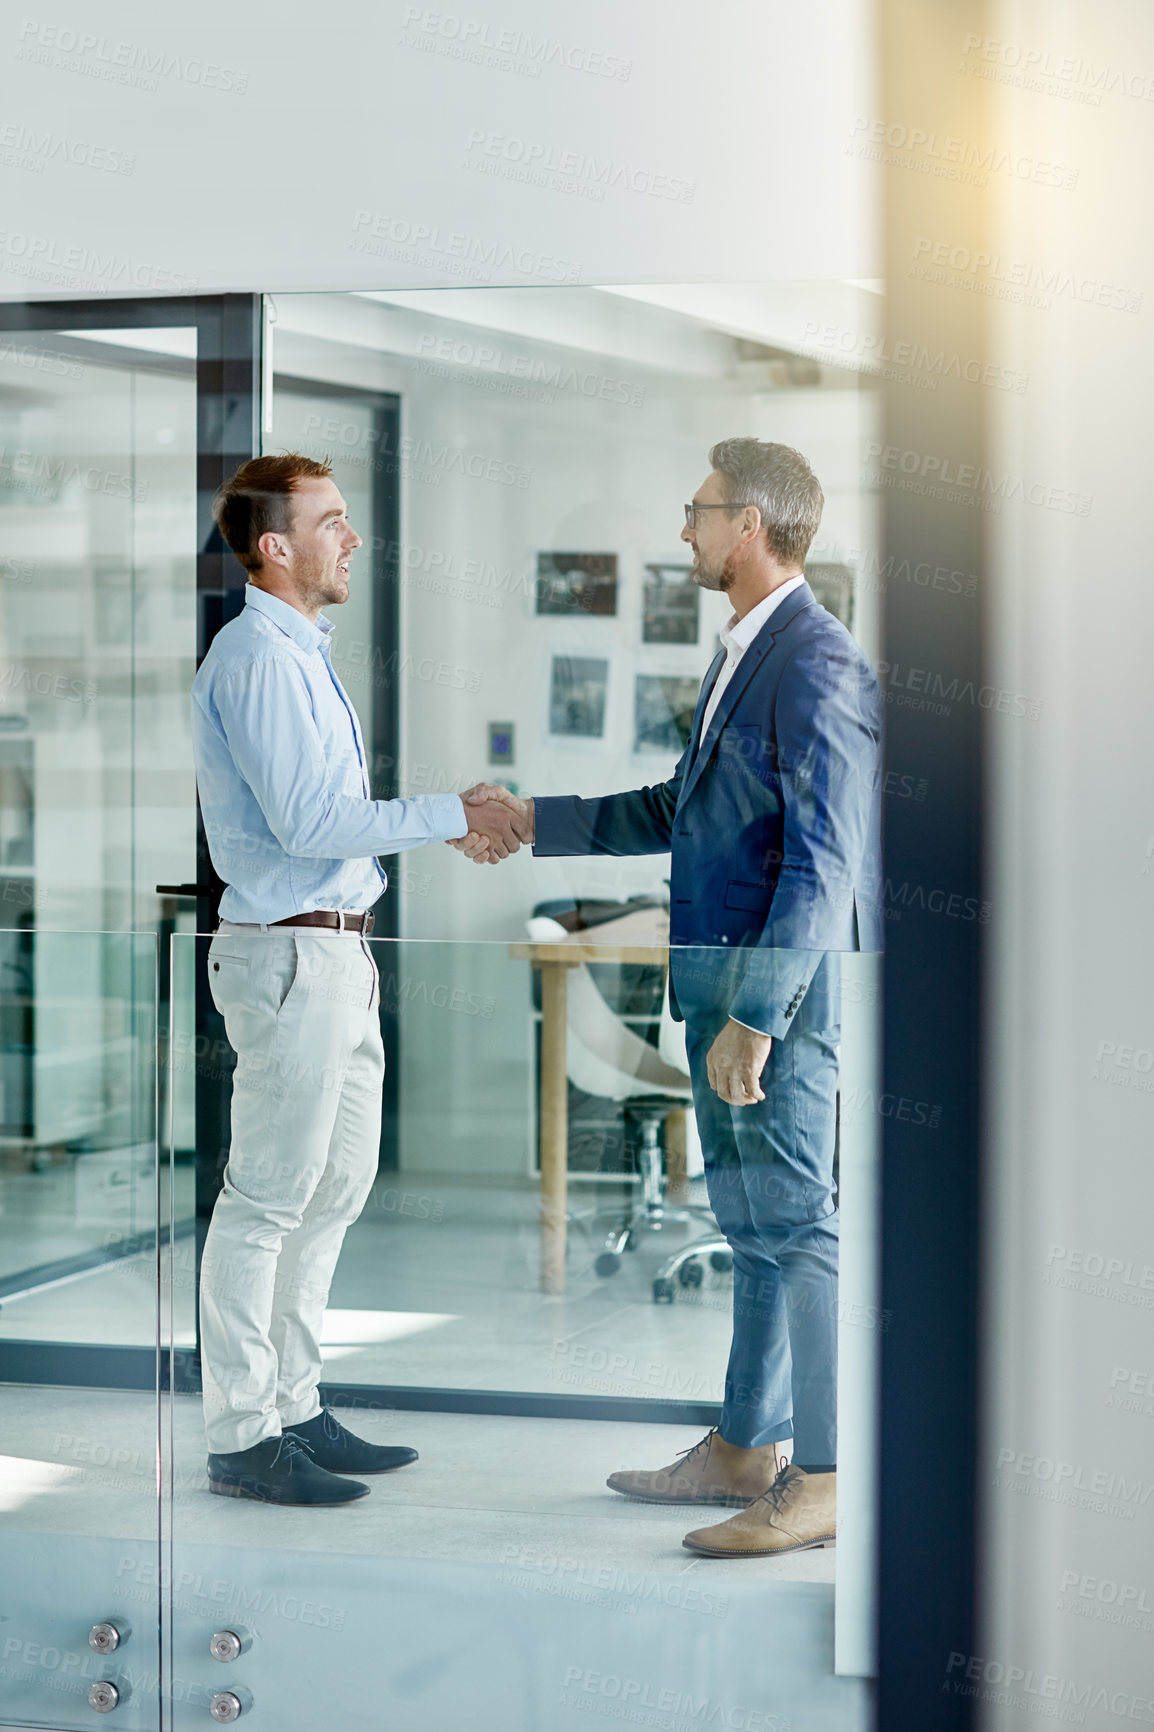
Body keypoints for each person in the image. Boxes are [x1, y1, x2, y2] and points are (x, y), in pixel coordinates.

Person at [453, 439, 883, 1558]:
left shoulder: (815, 661)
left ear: (748, 524)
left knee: (797, 1230)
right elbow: (676, 811)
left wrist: (759, 1015)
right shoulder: (744, 653)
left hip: (767, 1003)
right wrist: (530, 818)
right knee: (749, 1230)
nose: (679, 530)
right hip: (716, 985)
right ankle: (745, 1447)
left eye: (693, 512)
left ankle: (823, 1477)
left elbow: (822, 863)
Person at [191, 452, 529, 1506]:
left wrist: (439, 822)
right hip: (289, 951)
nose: (353, 538)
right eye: (331, 522)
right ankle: (242, 1433)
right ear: (274, 547)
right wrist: (451, 813)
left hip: (338, 949)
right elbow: (310, 825)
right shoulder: (255, 658)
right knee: (266, 1199)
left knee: (332, 1191)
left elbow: (331, 826)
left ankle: (293, 1404)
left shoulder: (301, 651)